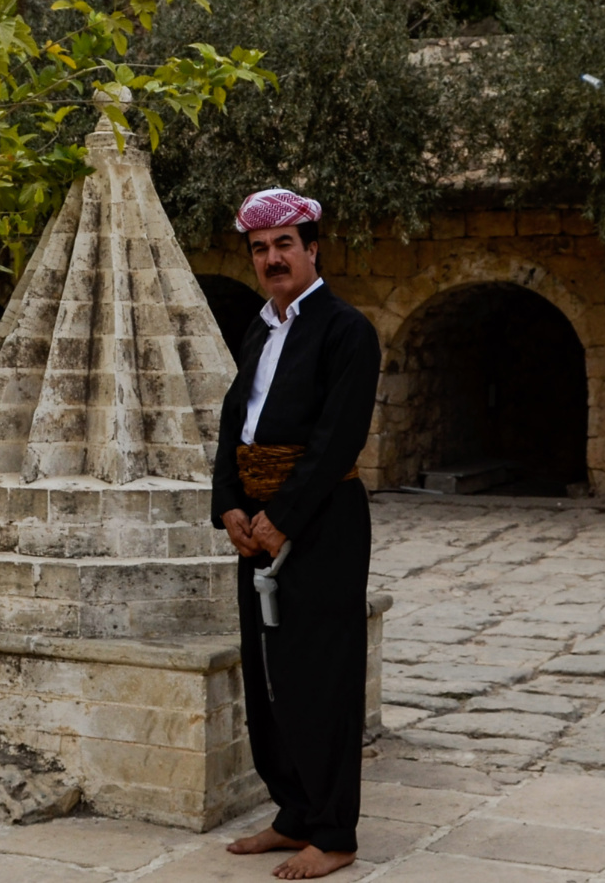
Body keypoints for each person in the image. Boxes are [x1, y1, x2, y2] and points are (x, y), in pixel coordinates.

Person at [211, 188, 382, 880]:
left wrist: (282, 518)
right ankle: (294, 814)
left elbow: (338, 437)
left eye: (285, 244)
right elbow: (234, 423)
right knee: (267, 674)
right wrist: (228, 505)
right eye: (260, 249)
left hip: (321, 521)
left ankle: (334, 833)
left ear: (312, 249)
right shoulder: (258, 330)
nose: (272, 258)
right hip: (255, 524)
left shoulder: (347, 330)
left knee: (322, 675)